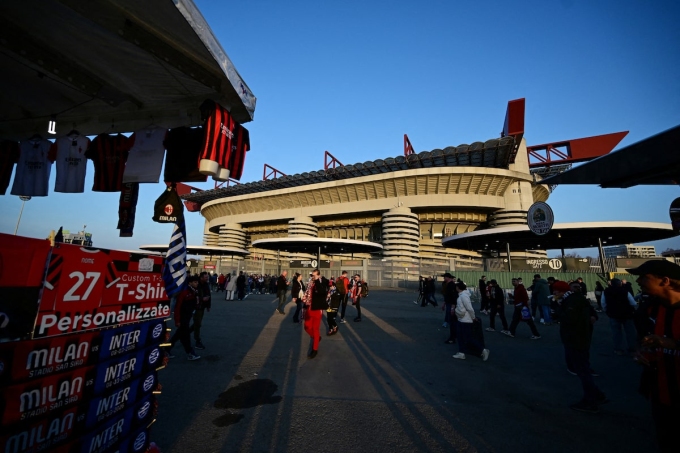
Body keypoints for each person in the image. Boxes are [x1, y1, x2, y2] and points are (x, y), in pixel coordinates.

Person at [627, 260, 680, 452]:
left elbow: (665, 341)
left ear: (665, 280)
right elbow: (642, 340)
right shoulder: (648, 309)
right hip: (661, 395)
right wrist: (639, 352)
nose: (638, 281)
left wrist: (672, 343)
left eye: (644, 277)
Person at [553, 280, 607, 413]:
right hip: (580, 337)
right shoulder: (576, 299)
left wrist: (557, 308)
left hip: (576, 338)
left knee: (582, 370)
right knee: (583, 368)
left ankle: (590, 400)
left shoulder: (571, 301)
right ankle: (596, 394)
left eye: (555, 291)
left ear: (560, 291)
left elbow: (570, 319)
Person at [167, 275, 201, 361]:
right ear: (190, 283)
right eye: (195, 282)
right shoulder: (184, 292)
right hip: (182, 318)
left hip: (187, 317)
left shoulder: (194, 291)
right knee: (185, 336)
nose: (197, 283)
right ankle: (190, 353)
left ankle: (166, 350)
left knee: (178, 335)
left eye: (197, 282)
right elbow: (177, 307)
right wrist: (177, 320)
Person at [453, 282, 489, 361]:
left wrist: (473, 317)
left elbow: (470, 308)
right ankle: (461, 352)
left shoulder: (463, 296)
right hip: (461, 319)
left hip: (465, 320)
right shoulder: (462, 296)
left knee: (468, 338)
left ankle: (482, 350)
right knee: (460, 337)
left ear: (458, 288)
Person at [602, 278, 638, 355]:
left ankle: (618, 349)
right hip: (627, 314)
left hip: (613, 315)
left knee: (616, 333)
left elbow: (603, 303)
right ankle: (632, 349)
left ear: (611, 284)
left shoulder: (606, 292)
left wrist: (607, 311)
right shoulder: (625, 291)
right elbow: (633, 303)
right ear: (620, 284)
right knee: (630, 332)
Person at [304, 269, 328, 359]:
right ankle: (316, 338)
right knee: (307, 326)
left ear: (318, 275)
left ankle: (315, 349)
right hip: (309, 308)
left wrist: (317, 280)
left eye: (313, 275)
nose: (312, 277)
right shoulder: (310, 283)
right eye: (311, 275)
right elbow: (307, 294)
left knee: (315, 328)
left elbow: (322, 292)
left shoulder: (321, 283)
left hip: (317, 309)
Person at [193, 271, 211, 350]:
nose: (207, 278)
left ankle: (184, 333)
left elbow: (209, 295)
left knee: (197, 323)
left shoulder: (206, 284)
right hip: (196, 307)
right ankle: (197, 340)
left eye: (207, 277)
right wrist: (202, 299)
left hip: (202, 306)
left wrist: (208, 305)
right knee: (197, 324)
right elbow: (194, 296)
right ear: (201, 278)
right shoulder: (196, 284)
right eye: (206, 277)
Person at [442, 273, 458, 344]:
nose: (444, 278)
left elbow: (454, 297)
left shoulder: (452, 285)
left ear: (448, 277)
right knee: (451, 320)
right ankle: (453, 336)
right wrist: (444, 303)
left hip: (451, 305)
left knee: (452, 321)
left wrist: (453, 306)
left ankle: (453, 337)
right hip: (449, 303)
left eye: (445, 277)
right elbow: (447, 296)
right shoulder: (447, 285)